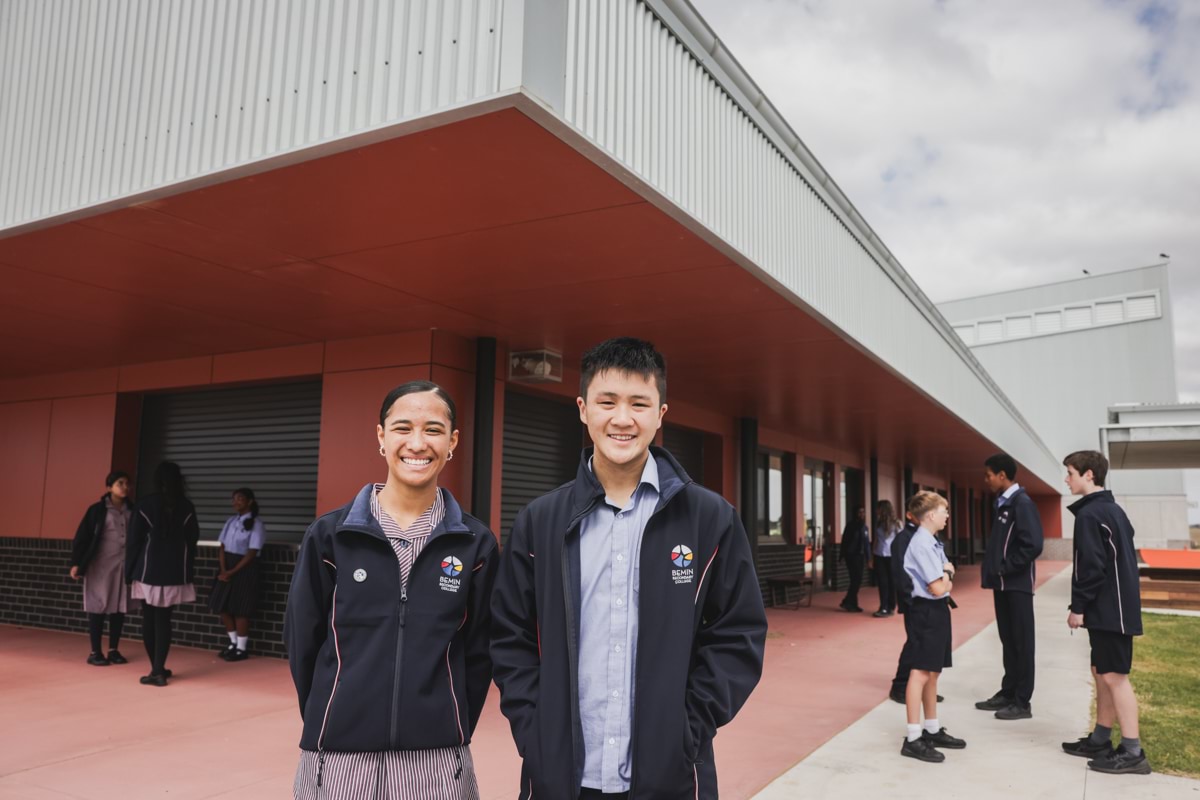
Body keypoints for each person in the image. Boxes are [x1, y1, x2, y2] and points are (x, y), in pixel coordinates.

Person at [491, 337, 768, 800]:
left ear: (661, 413)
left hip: (671, 777)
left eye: (639, 403)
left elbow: (738, 635)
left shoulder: (709, 519)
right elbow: (509, 636)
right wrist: (536, 732)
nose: (622, 419)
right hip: (561, 778)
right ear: (583, 409)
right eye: (607, 402)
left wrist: (686, 731)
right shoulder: (540, 520)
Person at [286, 381, 498, 799]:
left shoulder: (475, 544)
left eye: (433, 430)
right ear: (381, 437)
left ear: (453, 441)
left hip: (436, 762)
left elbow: (480, 652)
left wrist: (448, 723)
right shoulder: (331, 537)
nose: (417, 444)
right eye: (403, 428)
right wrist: (334, 715)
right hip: (339, 759)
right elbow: (302, 644)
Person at [1060, 450, 1150, 775]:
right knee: (1103, 673)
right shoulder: (1111, 510)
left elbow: (1092, 567)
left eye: (1070, 473)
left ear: (1088, 475)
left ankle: (1132, 751)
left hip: (1112, 611)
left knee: (1114, 677)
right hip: (1113, 609)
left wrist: (1077, 607)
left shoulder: (1090, 515)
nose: (1066, 479)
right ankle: (1100, 739)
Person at [975, 453, 1044, 720]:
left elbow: (1033, 544)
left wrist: (1006, 567)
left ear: (1002, 475)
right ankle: (1008, 691)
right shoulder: (1003, 504)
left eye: (988, 475)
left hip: (1016, 585)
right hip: (1002, 585)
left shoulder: (1021, 503)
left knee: (1022, 642)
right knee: (1008, 640)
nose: (986, 480)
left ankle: (1022, 702)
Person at [899, 491, 965, 763]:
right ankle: (913, 737)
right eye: (943, 511)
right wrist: (949, 572)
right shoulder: (923, 544)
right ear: (929, 515)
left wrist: (946, 576)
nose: (947, 515)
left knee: (933, 672)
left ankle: (932, 729)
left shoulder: (932, 541)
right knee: (920, 672)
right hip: (925, 611)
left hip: (937, 611)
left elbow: (940, 586)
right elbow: (938, 587)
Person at [126, 461, 200, 687]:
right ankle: (159, 667)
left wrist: (129, 572)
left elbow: (134, 541)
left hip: (148, 571)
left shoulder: (145, 504)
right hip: (175, 573)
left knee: (148, 619)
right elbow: (192, 540)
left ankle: (156, 670)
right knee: (164, 620)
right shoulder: (186, 506)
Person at [69, 470, 136, 667]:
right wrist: (76, 563)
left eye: (127, 483)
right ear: (109, 488)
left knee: (119, 607)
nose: (125, 487)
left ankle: (113, 649)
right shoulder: (97, 510)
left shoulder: (133, 510)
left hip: (124, 565)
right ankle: (95, 651)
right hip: (101, 565)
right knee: (98, 606)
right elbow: (83, 536)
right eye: (119, 483)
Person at [208, 487, 266, 662]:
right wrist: (224, 569)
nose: (235, 502)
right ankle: (232, 643)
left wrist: (233, 571)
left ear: (250, 501)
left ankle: (242, 648)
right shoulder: (231, 521)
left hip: (244, 568)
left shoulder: (256, 524)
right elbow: (222, 547)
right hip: (227, 567)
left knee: (240, 608)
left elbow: (252, 551)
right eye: (234, 499)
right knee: (223, 606)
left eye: (240, 498)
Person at [872, 500, 901, 617]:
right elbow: (876, 540)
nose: (876, 511)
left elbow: (901, 540)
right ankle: (883, 606)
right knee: (882, 582)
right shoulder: (878, 523)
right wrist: (872, 556)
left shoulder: (897, 523)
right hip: (879, 555)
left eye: (878, 508)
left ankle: (891, 606)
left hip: (892, 555)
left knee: (892, 582)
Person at [839, 507, 870, 612]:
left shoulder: (864, 527)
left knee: (857, 580)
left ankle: (850, 602)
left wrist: (868, 558)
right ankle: (849, 602)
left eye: (863, 512)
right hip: (851, 556)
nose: (862, 514)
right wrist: (841, 556)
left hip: (860, 556)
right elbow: (845, 541)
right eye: (859, 512)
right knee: (855, 580)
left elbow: (866, 544)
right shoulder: (851, 526)